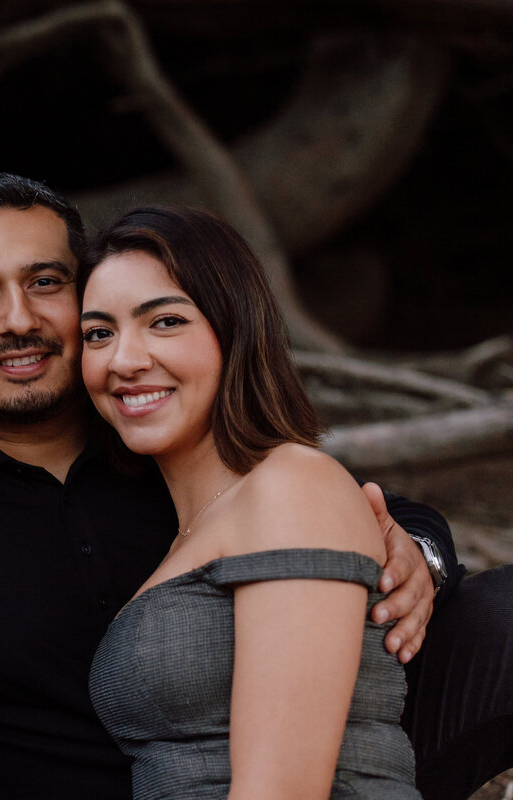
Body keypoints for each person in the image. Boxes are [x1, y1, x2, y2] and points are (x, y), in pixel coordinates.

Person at [0, 173, 513, 800]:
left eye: (46, 281)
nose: (17, 319)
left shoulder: (169, 444)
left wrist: (415, 559)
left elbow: (363, 509)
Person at [81, 205, 418, 798]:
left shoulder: (293, 484)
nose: (123, 360)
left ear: (234, 328)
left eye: (164, 322)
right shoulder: (192, 521)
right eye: (98, 333)